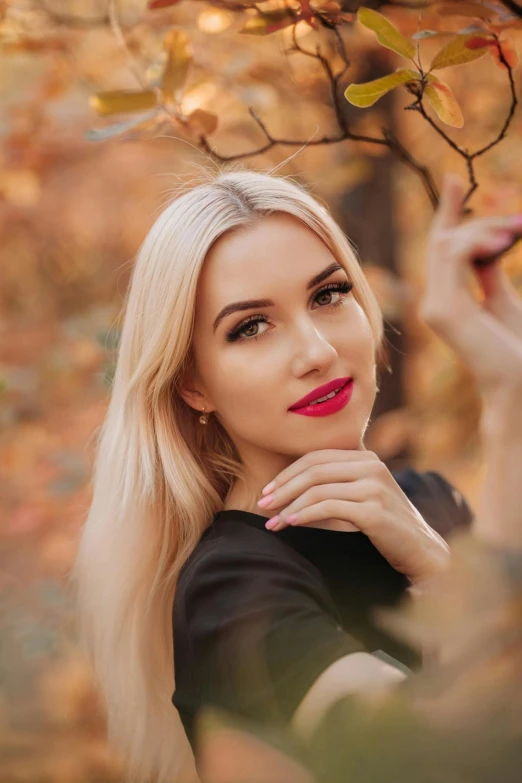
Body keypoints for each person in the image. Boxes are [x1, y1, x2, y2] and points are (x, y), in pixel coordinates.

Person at [70, 167, 521, 783]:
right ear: (194, 384)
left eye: (328, 295)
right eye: (251, 327)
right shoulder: (229, 585)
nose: (316, 352)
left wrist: (434, 560)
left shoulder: (427, 503)